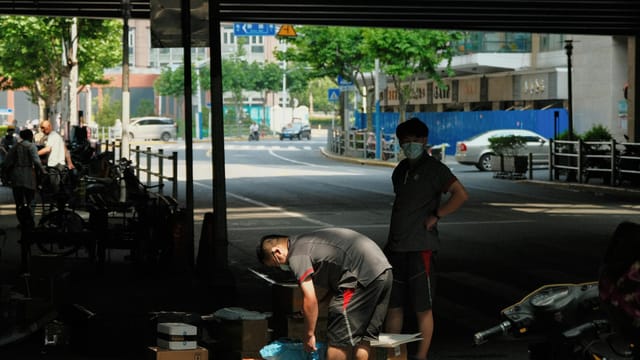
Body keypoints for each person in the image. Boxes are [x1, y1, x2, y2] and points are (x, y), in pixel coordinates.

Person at [385, 117, 469, 360]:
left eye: (414, 140)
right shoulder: (400, 170)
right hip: (396, 247)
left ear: (424, 141)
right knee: (394, 305)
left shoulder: (435, 169)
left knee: (423, 306)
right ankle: (394, 355)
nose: (409, 144)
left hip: (421, 247)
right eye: (404, 141)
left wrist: (437, 214)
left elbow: (460, 194)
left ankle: (421, 356)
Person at [257, 227, 392, 360]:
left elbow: (310, 299)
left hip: (361, 279)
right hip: (383, 271)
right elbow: (337, 282)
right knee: (363, 338)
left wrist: (309, 335)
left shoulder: (296, 255)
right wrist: (322, 304)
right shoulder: (308, 243)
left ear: (277, 252)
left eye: (276, 265)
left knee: (338, 338)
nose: (281, 268)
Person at [3, 129, 47, 228]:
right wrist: (43, 171)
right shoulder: (31, 146)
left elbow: (7, 162)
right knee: (30, 199)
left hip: (16, 175)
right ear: (30, 136)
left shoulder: (15, 146)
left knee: (19, 201)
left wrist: (5, 174)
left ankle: (22, 221)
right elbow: (36, 161)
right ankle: (30, 220)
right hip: (28, 174)